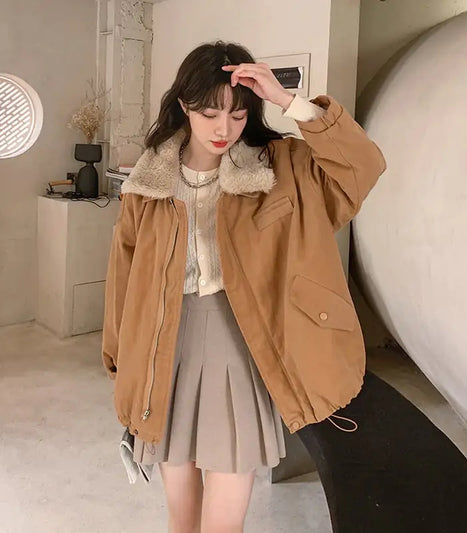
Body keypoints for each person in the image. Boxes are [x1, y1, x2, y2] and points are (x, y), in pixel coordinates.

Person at [102, 40, 387, 533]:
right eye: (210, 113)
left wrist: (288, 101)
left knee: (223, 523)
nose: (224, 129)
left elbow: (363, 166)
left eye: (237, 115)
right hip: (162, 347)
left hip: (239, 343)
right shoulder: (149, 182)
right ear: (184, 105)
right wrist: (119, 362)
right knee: (181, 518)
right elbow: (124, 279)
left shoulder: (281, 168)